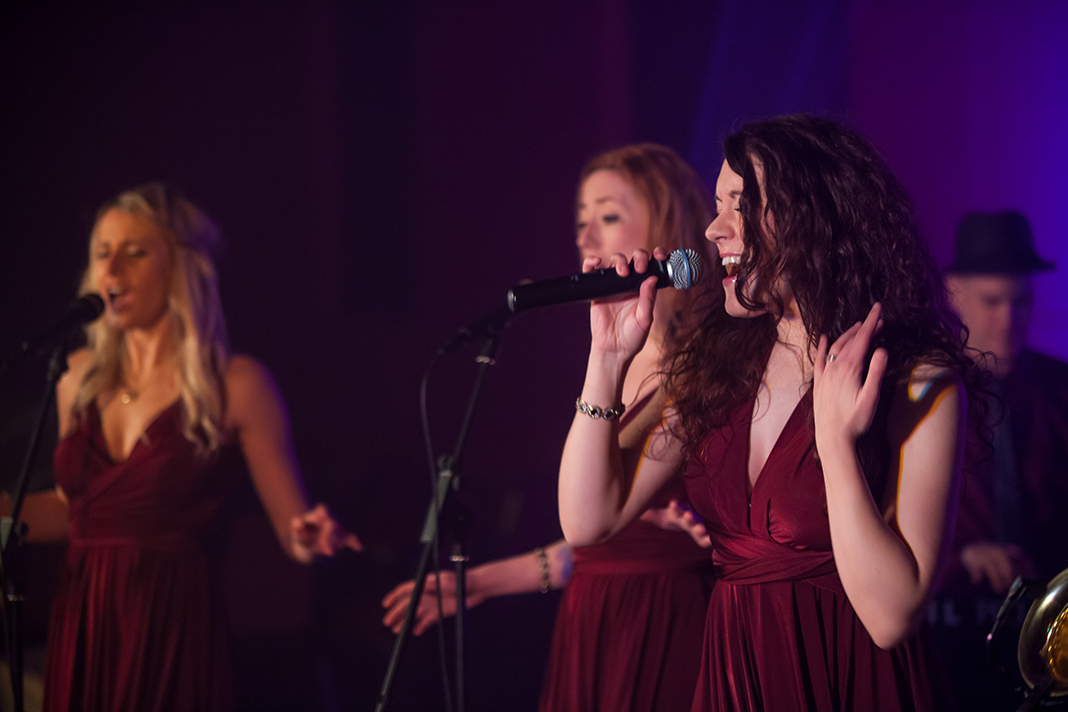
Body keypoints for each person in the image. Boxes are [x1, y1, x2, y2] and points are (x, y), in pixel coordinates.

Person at [558, 115, 984, 711]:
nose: (714, 229)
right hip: (737, 679)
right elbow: (588, 520)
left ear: (814, 219)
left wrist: (835, 449)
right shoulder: (719, 364)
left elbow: (892, 616)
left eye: (741, 205)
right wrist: (604, 361)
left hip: (852, 679)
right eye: (716, 204)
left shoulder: (915, 380)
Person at [382, 144, 716, 711]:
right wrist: (480, 582)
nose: (585, 239)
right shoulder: (618, 362)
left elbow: (602, 532)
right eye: (581, 221)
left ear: (667, 223)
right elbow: (585, 543)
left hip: (657, 627)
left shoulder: (699, 369)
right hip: (593, 618)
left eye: (608, 217)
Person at [12, 183, 360, 712]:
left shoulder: (235, 385)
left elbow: (295, 532)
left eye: (135, 253)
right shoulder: (75, 377)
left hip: (169, 621)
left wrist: (312, 537)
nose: (112, 271)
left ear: (179, 269)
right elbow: (71, 507)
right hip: (83, 616)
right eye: (103, 253)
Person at [933, 210, 1068, 710]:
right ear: (953, 293)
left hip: (1049, 641)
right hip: (948, 638)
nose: (1008, 320)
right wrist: (958, 560)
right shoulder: (919, 395)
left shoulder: (1059, 391)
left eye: (1021, 302)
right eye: (992, 302)